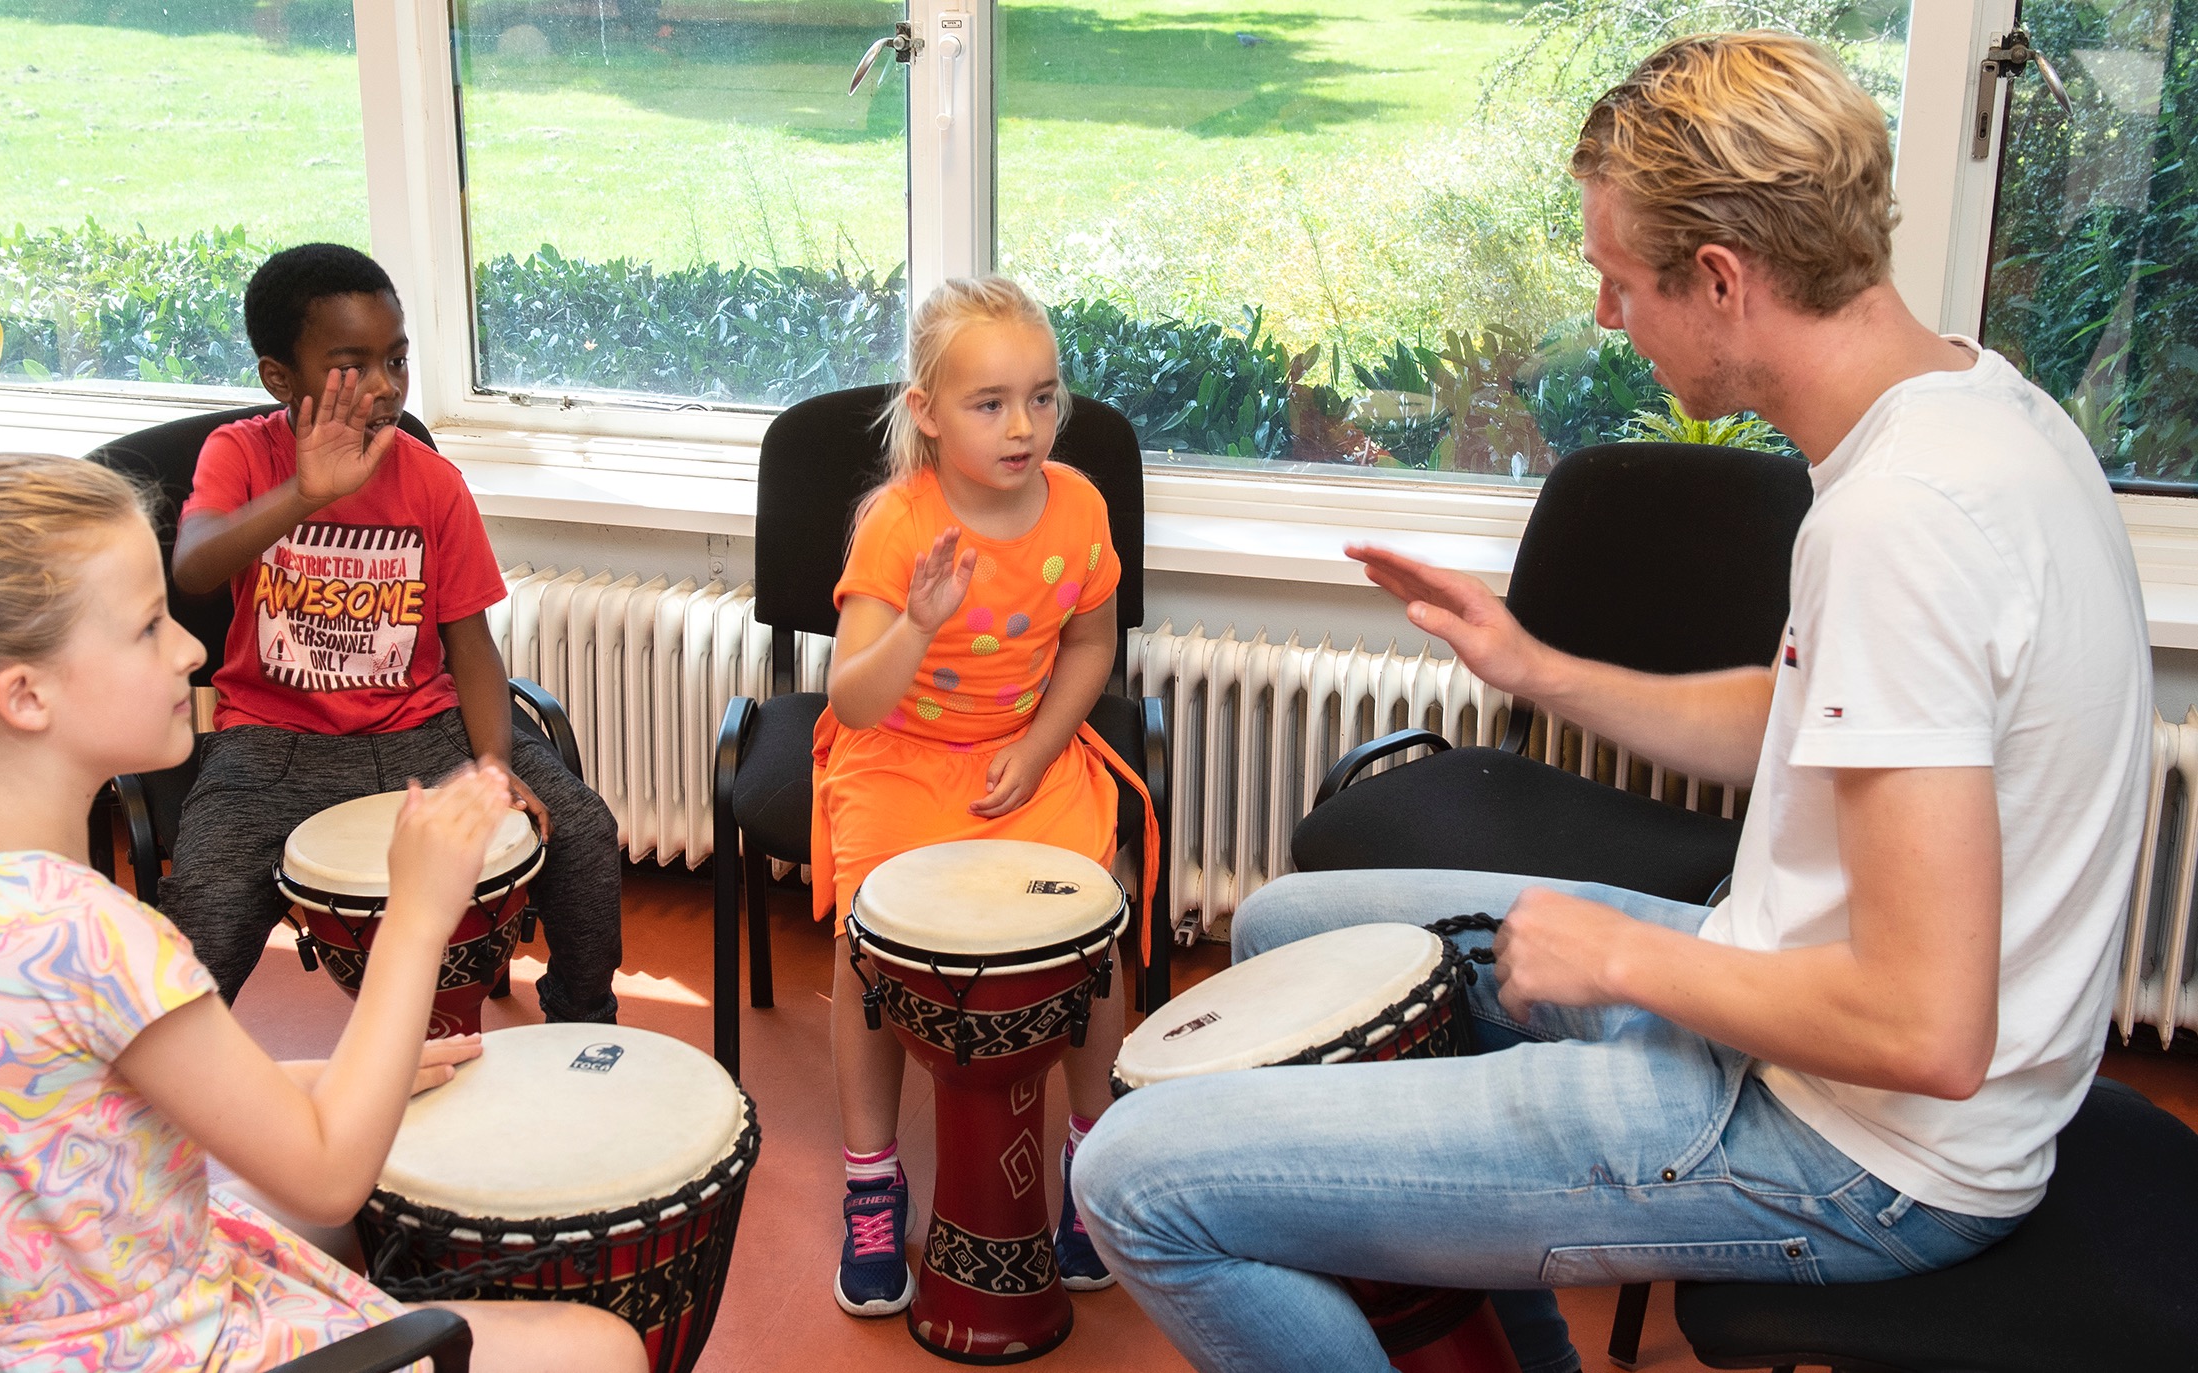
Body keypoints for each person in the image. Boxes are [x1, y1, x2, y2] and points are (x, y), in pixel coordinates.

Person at [1070, 31, 2152, 1373]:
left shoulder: (1901, 520)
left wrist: (1623, 959)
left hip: (1857, 1149)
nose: (1602, 315)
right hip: (1802, 1012)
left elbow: (1926, 1030)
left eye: (1617, 279)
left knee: (1133, 1183)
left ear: (1720, 279)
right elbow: (1815, 716)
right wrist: (1540, 672)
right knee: (1288, 928)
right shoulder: (1973, 404)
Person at [0, 453, 645, 1372]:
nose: (191, 649)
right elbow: (329, 1167)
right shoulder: (98, 934)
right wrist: (420, 911)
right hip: (142, 1352)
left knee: (321, 1225)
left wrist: (329, 1072)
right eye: (149, 628)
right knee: (600, 1346)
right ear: (26, 695)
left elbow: (68, 1082)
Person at [161, 243, 621, 1022]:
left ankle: (581, 1020)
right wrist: (304, 494)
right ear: (280, 377)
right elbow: (196, 567)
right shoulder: (239, 453)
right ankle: (165, 1091)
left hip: (426, 729)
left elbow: (470, 645)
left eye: (397, 360)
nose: (384, 386)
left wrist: (488, 762)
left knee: (581, 831)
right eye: (353, 364)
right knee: (205, 905)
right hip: (271, 742)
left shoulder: (430, 479)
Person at [815, 276, 1155, 1315]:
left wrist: (1043, 740)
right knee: (866, 943)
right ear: (925, 412)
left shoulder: (1080, 505)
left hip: (1027, 749)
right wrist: (915, 624)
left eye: (1043, 397)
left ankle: (1088, 1167)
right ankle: (871, 1181)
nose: (1024, 426)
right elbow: (852, 698)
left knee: (1099, 916)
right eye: (990, 402)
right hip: (899, 755)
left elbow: (1092, 642)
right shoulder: (897, 521)